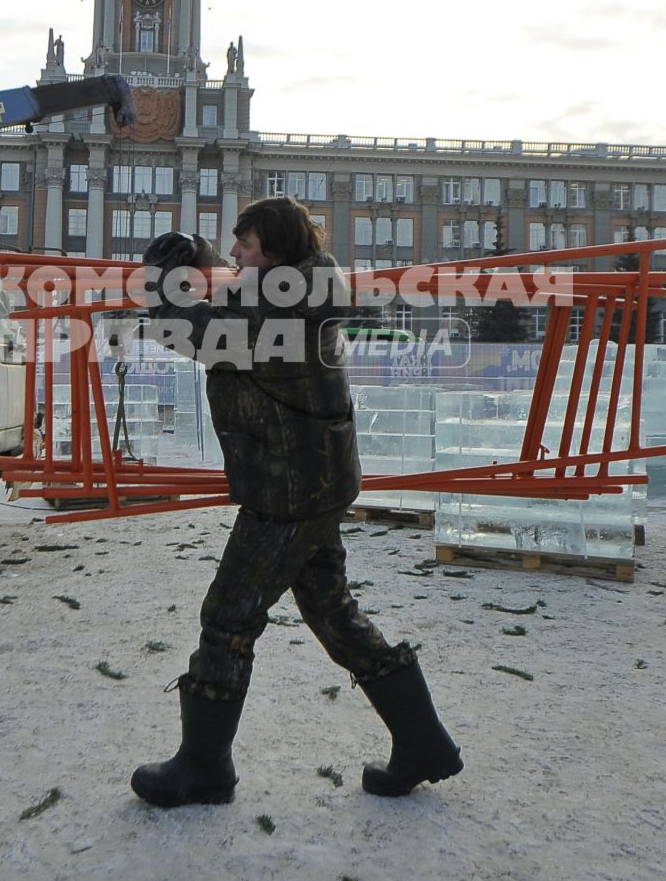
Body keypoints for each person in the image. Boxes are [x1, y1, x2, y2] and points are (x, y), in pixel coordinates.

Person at [131, 196, 462, 807]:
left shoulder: (288, 313)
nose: (235, 254)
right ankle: (423, 742)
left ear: (277, 253)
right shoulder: (290, 292)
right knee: (332, 612)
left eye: (246, 244)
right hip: (305, 482)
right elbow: (232, 299)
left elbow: (211, 334)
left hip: (289, 491)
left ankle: (204, 767)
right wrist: (198, 263)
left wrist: (164, 292)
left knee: (228, 617)